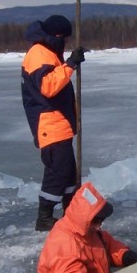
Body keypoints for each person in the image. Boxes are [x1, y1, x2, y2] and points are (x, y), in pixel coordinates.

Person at [21, 15, 86, 231]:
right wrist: (70, 65)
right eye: (64, 39)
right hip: (49, 123)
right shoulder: (38, 54)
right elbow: (48, 86)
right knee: (57, 170)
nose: (66, 43)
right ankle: (45, 217)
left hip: (59, 123)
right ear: (56, 36)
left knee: (67, 171)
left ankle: (70, 210)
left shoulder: (48, 52)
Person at [37, 182, 137, 273]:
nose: (100, 224)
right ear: (85, 219)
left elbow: (111, 248)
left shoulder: (88, 231)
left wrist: (134, 258)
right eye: (97, 220)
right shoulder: (63, 245)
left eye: (102, 219)